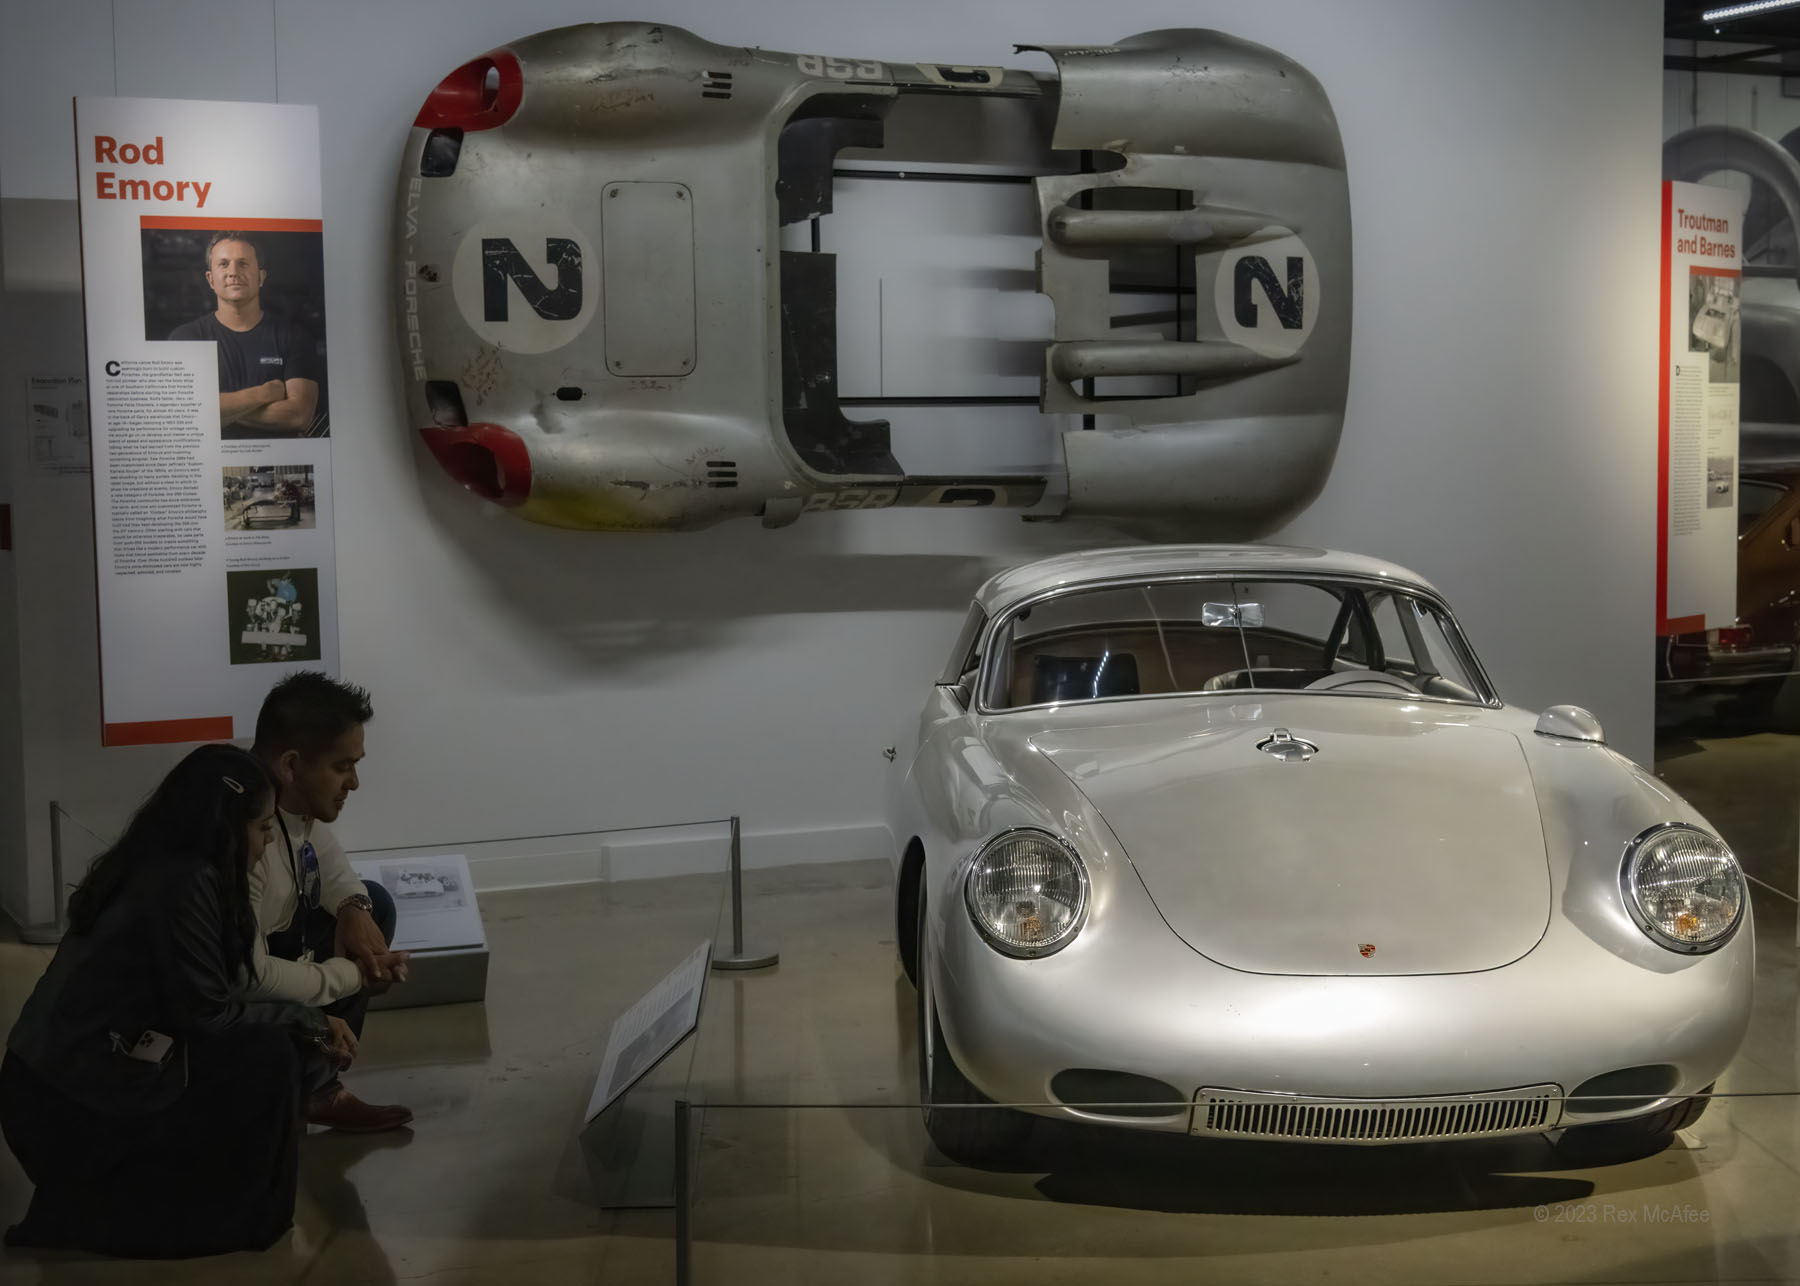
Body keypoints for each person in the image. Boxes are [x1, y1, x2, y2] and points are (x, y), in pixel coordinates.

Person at [1, 745, 357, 1257]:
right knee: (267, 1053)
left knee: (268, 1045)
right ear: (225, 826)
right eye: (260, 829)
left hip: (56, 1090)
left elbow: (214, 993)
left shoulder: (167, 867)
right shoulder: (182, 881)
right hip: (65, 1109)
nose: (263, 846)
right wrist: (311, 1023)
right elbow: (209, 1013)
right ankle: (233, 1217)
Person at [249, 671, 414, 1132]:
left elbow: (330, 862)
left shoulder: (287, 807)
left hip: (248, 977)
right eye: (343, 767)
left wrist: (354, 910)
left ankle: (320, 1086)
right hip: (207, 1014)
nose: (355, 783)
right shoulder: (243, 835)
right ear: (291, 765)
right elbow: (246, 979)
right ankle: (294, 1086)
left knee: (374, 903)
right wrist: (348, 980)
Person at [168, 231, 323, 439]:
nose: (233, 272)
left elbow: (298, 416)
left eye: (243, 263)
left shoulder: (294, 337)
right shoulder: (186, 338)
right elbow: (181, 414)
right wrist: (262, 394)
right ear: (210, 279)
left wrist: (212, 407)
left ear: (261, 277)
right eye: (223, 264)